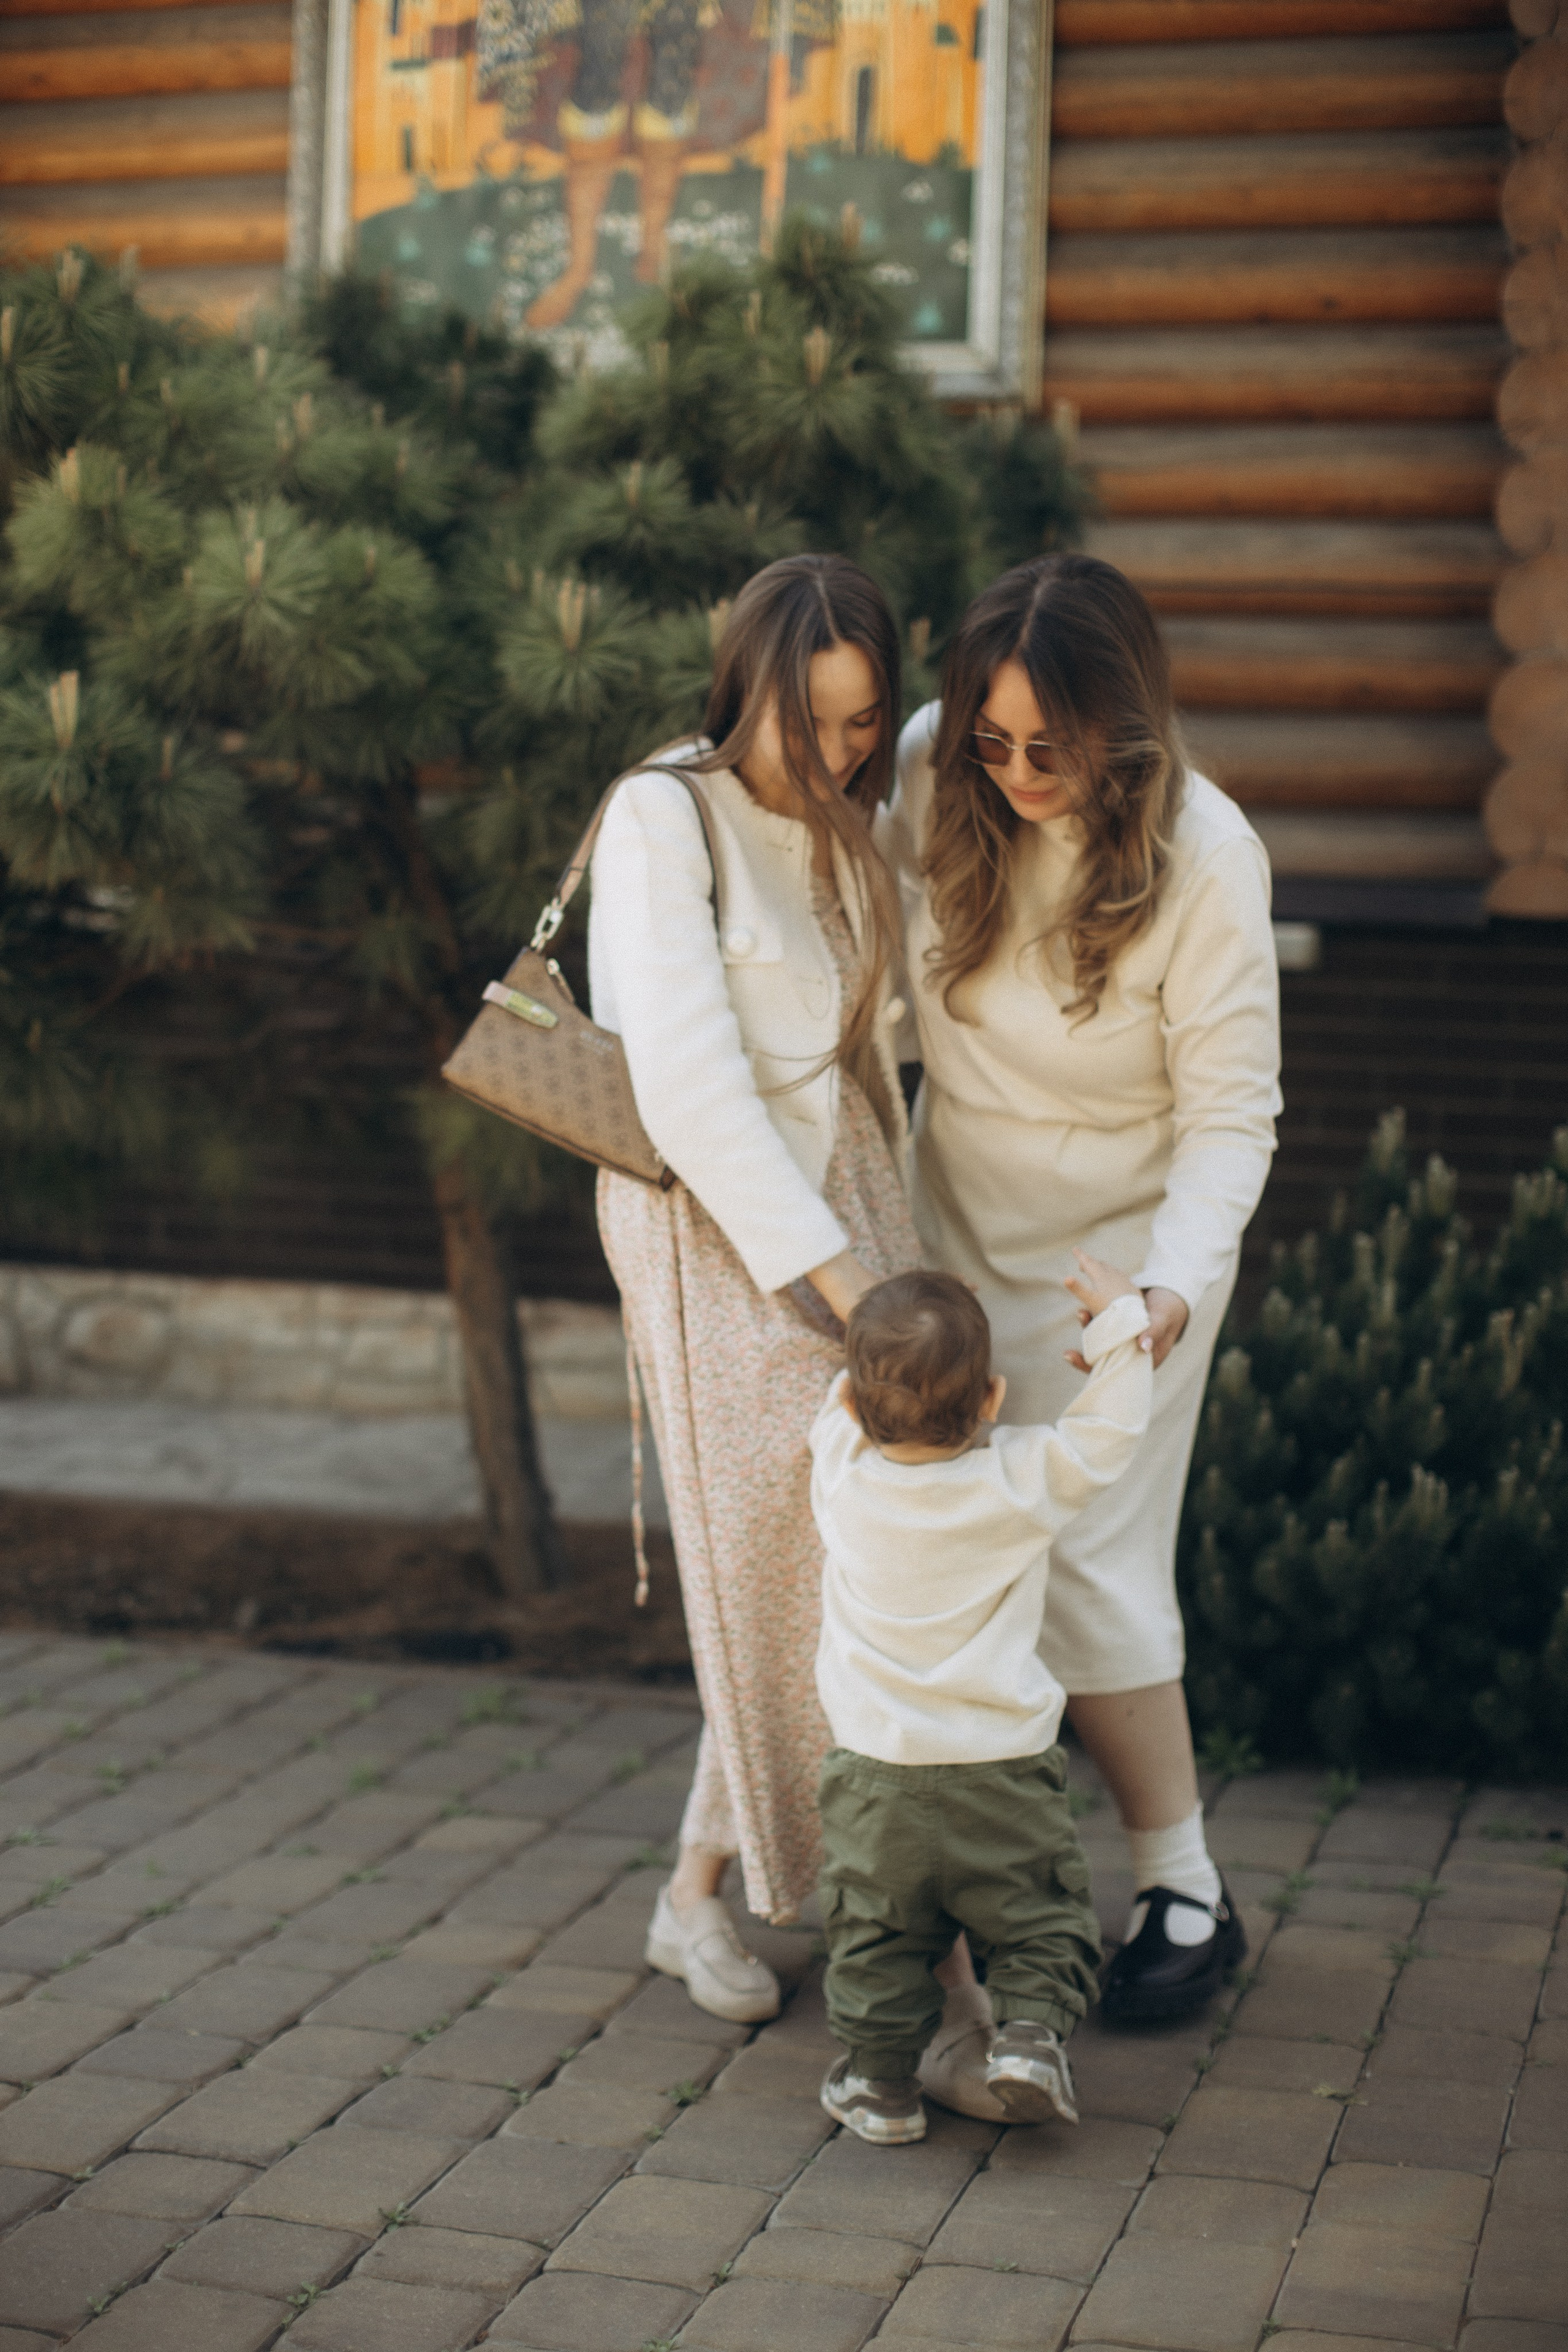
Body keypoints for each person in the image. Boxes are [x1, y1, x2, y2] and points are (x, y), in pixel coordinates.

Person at [881, 552, 1282, 2090]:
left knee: (1090, 1551)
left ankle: (1181, 1885)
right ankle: (963, 1896)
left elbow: (1232, 1121)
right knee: (958, 1547)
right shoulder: (934, 770)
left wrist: (1167, 1295)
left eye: (1049, 745)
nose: (1017, 771)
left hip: (1129, 1265)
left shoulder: (1205, 856)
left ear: (1124, 722)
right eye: (992, 739)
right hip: (955, 1229)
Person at [589, 553, 921, 2021]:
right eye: (812, 724)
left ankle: (695, 1897)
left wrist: (891, 1252)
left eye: (863, 724)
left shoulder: (849, 827)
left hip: (851, 1200)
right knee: (771, 1557)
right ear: (744, 689)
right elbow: (687, 1088)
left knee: (846, 1557)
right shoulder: (664, 812)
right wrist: (840, 1284)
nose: (839, 753)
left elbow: (870, 1055)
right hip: (712, 1227)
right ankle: (841, 1898)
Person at [810, 1260, 1153, 2146]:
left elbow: (845, 1406)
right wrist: (1118, 1325)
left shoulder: (843, 1478)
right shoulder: (1020, 1481)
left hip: (874, 1779)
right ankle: (1030, 2037)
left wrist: (881, 1357)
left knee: (877, 1938)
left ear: (853, 1404)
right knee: (1041, 1918)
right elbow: (1109, 1433)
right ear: (994, 1397)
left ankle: (882, 2090)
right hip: (1001, 1774)